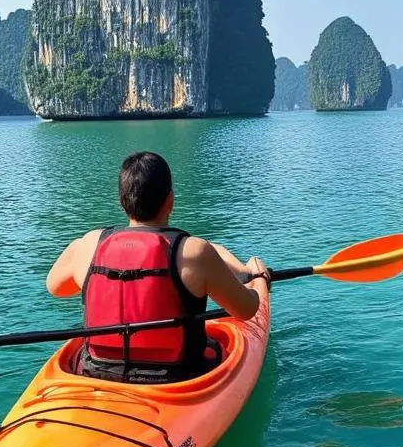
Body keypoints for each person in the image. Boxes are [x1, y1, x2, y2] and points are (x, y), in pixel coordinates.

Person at [45, 151, 269, 384]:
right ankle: (245, 271)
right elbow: (247, 310)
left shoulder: (89, 244)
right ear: (170, 200)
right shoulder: (195, 252)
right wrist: (259, 279)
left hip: (97, 371)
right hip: (177, 377)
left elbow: (55, 287)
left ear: (122, 202)